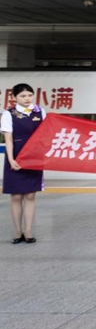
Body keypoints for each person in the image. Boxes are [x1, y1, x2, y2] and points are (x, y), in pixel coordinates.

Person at [2, 83, 47, 244]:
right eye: (22, 96)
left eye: (29, 95)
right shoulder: (9, 114)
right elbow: (8, 139)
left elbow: (46, 134)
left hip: (34, 156)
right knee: (15, 196)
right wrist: (11, 159)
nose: (27, 98)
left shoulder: (40, 112)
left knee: (30, 195)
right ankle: (17, 231)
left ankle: (28, 231)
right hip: (15, 157)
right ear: (14, 97)